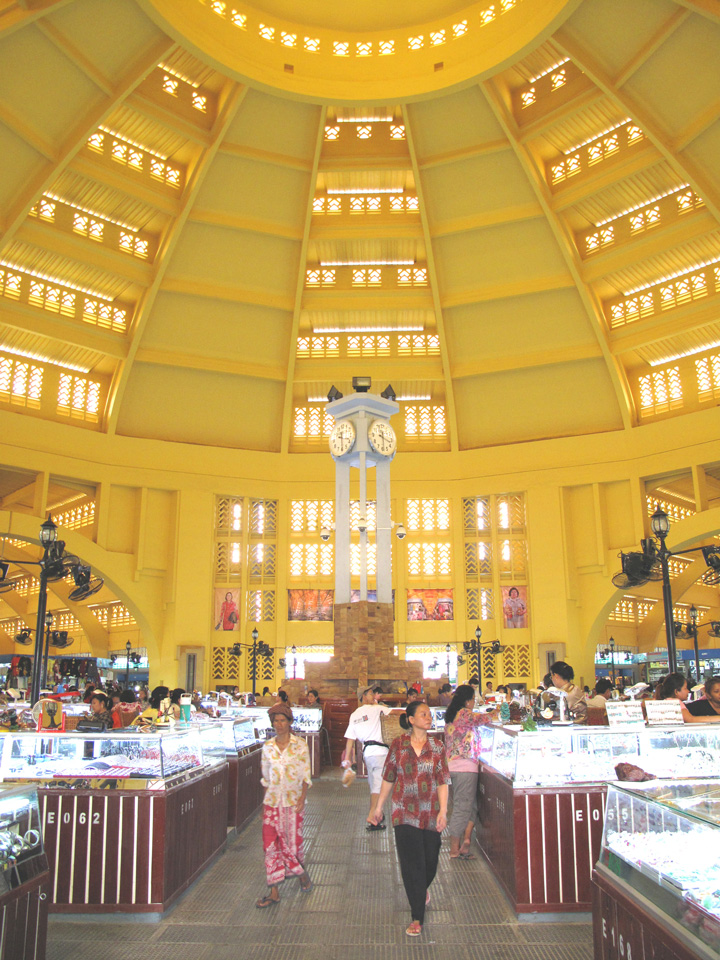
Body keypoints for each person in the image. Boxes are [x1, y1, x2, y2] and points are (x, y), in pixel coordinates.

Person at [367, 701, 450, 938]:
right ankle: (417, 916)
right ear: (411, 719)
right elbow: (389, 777)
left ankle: (420, 889)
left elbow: (443, 780)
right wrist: (378, 807)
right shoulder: (399, 745)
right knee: (411, 865)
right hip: (403, 812)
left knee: (431, 862)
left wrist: (443, 811)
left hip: (431, 813)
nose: (428, 717)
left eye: (429, 714)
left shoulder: (437, 746)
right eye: (423, 714)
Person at [256, 702, 312, 908]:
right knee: (271, 845)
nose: (279, 725)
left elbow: (306, 774)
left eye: (282, 720)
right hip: (272, 802)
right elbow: (265, 777)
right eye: (275, 721)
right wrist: (264, 804)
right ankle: (274, 891)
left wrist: (301, 797)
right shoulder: (268, 747)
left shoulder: (300, 746)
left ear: (289, 722)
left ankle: (302, 876)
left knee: (292, 844)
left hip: (292, 801)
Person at [444, 684, 495, 860]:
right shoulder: (464, 713)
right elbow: (485, 718)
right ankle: (453, 849)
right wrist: (499, 712)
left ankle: (465, 843)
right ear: (467, 701)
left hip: (454, 766)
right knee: (461, 807)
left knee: (470, 805)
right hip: (464, 766)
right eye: (473, 699)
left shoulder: (452, 713)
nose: (474, 702)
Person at [343, 687, 395, 830]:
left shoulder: (354, 714)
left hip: (368, 754)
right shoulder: (377, 709)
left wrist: (348, 757)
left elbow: (350, 738)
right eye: (371, 693)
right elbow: (396, 713)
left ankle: (378, 815)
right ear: (364, 696)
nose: (374, 696)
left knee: (374, 784)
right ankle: (372, 815)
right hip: (380, 752)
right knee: (378, 786)